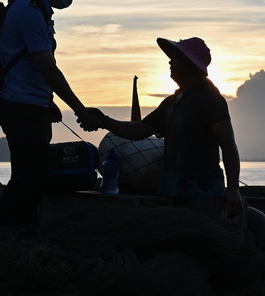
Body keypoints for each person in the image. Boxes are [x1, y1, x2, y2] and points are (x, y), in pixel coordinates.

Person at [81, 37, 245, 223]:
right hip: (171, 189)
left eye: (176, 58)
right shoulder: (171, 102)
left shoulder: (210, 98)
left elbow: (228, 145)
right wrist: (104, 120)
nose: (170, 62)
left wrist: (233, 189)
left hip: (203, 192)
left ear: (191, 65)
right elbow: (139, 130)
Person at [0, 0, 101, 228]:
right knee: (27, 178)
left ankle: (19, 235)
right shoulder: (29, 11)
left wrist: (49, 100)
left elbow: (33, 66)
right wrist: (80, 109)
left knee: (33, 176)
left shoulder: (38, 10)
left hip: (32, 104)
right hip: (22, 107)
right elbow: (48, 68)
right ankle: (2, 237)